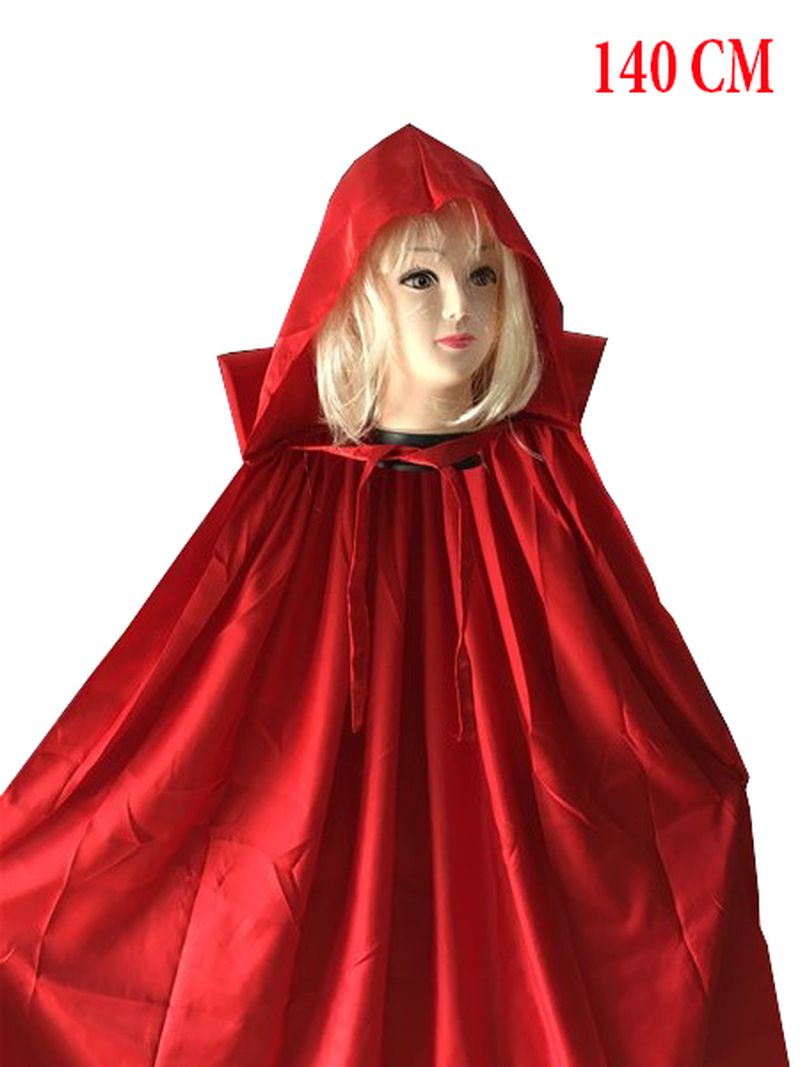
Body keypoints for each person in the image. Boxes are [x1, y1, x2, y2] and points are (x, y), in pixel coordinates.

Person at [0, 124, 789, 1067]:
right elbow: (193, 685)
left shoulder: (541, 481)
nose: (460, 304)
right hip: (328, 830)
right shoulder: (295, 492)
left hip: (515, 842)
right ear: (357, 294)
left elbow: (617, 679)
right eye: (420, 277)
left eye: (483, 275)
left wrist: (696, 790)